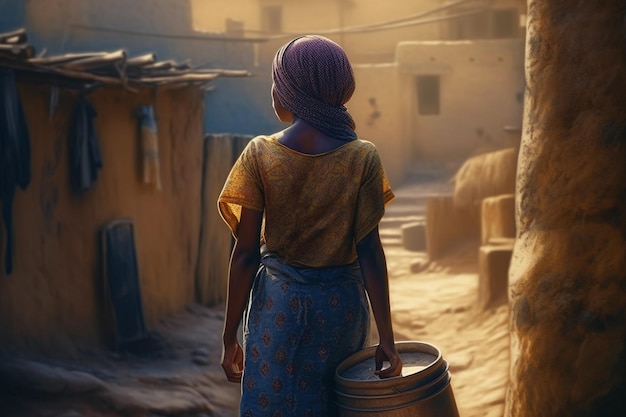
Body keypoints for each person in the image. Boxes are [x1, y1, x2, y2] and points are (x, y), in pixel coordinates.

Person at [217, 34, 402, 417]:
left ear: (290, 91)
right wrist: (387, 336)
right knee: (336, 407)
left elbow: (245, 253)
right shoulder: (362, 157)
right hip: (342, 312)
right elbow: (370, 251)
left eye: (276, 81)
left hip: (276, 310)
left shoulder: (260, 154)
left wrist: (228, 335)